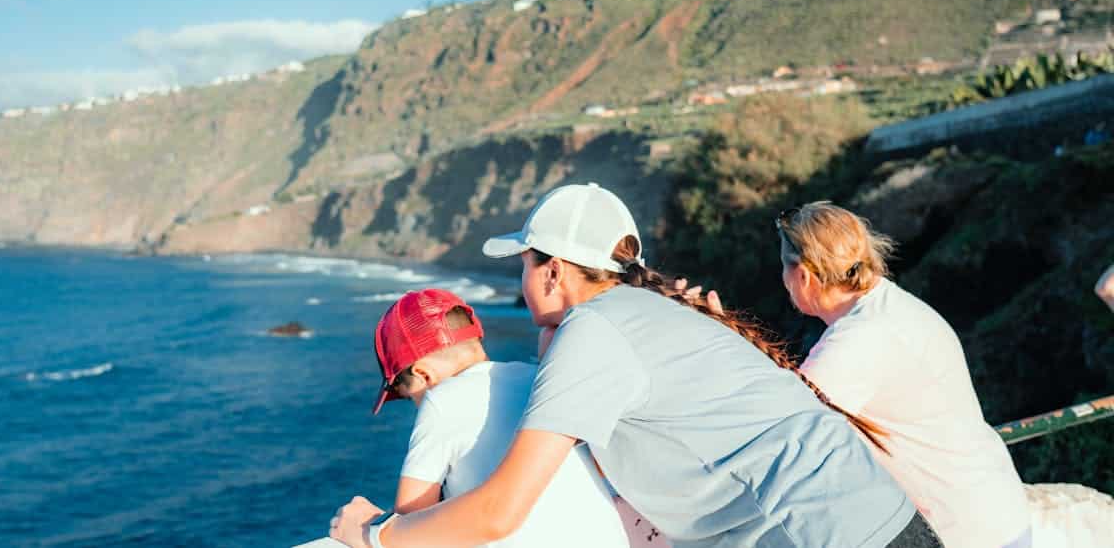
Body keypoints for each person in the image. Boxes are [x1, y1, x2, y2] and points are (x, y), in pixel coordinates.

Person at [330, 183, 939, 548]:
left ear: (552, 270)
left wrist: (376, 534)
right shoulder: (645, 313)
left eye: (524, 261)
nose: (520, 277)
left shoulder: (592, 333)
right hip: (878, 519)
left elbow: (500, 510)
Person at [776, 201, 1032, 548]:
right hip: (993, 510)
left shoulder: (858, 339)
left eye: (783, 269)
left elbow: (777, 423)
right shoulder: (889, 306)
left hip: (962, 532)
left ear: (803, 276)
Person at [367, 288, 630, 548]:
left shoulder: (443, 399)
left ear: (424, 375)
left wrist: (367, 526)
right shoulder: (537, 377)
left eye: (408, 394)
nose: (416, 404)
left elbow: (409, 528)